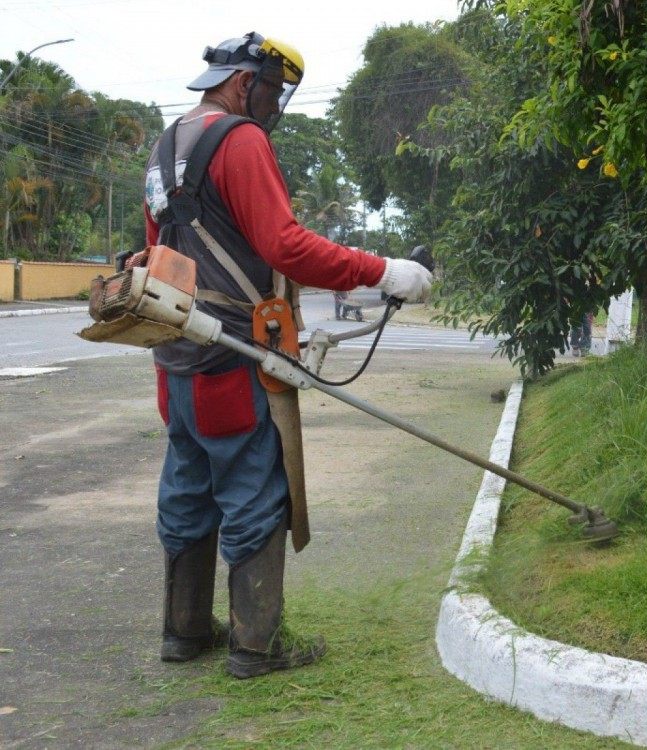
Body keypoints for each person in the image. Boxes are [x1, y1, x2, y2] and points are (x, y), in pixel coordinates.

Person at [143, 31, 432, 679]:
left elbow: (155, 254)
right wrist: (383, 270)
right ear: (246, 81)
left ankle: (183, 632)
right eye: (275, 91)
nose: (276, 106)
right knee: (254, 489)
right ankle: (256, 646)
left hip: (177, 353)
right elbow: (286, 246)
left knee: (188, 485)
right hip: (233, 351)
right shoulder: (240, 141)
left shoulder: (166, 147)